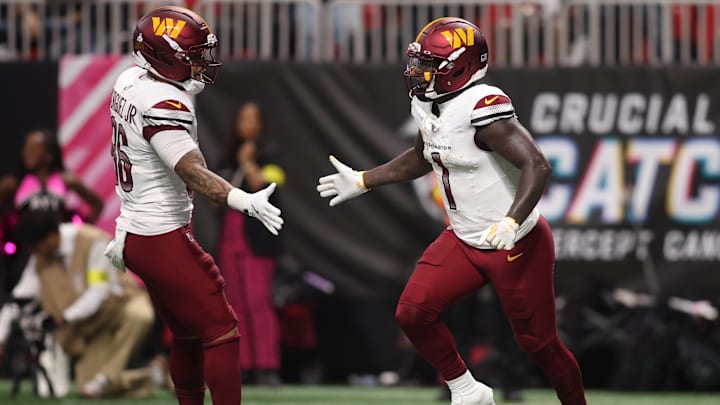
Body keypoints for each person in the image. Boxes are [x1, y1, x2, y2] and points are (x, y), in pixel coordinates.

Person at [317, 17, 586, 405]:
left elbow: (537, 164)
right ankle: (467, 390)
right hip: (462, 239)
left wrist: (512, 220)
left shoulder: (483, 108)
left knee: (539, 344)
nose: (417, 72)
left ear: (458, 68)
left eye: (428, 64)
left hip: (515, 243)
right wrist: (363, 180)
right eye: (418, 62)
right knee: (412, 313)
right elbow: (420, 158)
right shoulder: (430, 104)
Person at [102, 6, 283, 404]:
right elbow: (192, 171)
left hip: (136, 227)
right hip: (160, 234)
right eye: (194, 55)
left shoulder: (129, 79)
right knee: (221, 330)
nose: (203, 61)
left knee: (186, 332)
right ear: (166, 58)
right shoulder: (164, 103)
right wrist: (242, 199)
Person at [0, 212, 155, 398]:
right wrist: (1, 338)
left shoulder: (93, 242)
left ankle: (105, 378)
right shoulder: (40, 257)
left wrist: (64, 317)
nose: (34, 254)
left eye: (34, 248)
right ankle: (150, 378)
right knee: (88, 386)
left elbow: (98, 292)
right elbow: (19, 299)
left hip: (121, 308)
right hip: (92, 328)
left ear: (49, 238)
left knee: (140, 314)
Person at [216, 102, 285, 385]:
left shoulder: (272, 156)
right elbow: (216, 197)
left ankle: (267, 367)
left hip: (257, 239)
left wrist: (248, 161)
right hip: (230, 236)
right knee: (235, 305)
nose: (248, 123)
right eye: (243, 118)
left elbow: (260, 187)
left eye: (253, 118)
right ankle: (242, 367)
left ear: (261, 124)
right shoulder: (225, 160)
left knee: (259, 302)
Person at [0, 129, 104, 300]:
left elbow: (97, 204)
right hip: (26, 252)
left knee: (60, 295)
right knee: (20, 296)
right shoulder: (13, 183)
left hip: (56, 251)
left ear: (48, 154)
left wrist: (82, 228)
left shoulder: (65, 180)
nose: (26, 152)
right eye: (25, 147)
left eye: (33, 148)